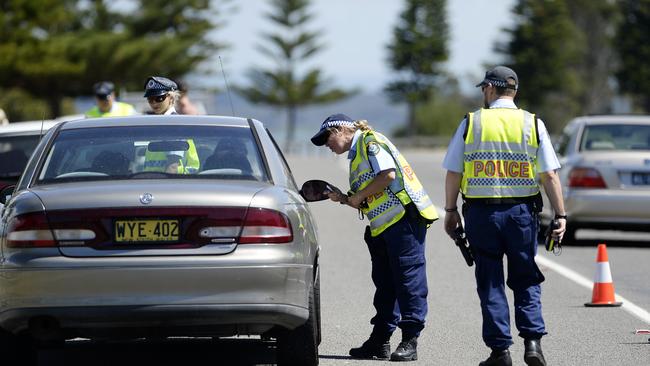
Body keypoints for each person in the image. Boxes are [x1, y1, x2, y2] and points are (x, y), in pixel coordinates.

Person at [442, 66, 567, 366]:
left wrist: (450, 211)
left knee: (490, 280)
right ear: (514, 91)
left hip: (482, 215)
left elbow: (454, 171)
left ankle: (500, 352)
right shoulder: (531, 123)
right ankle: (533, 344)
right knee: (525, 277)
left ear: (489, 88)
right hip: (521, 214)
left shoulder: (472, 123)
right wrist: (560, 215)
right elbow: (549, 174)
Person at [310, 113, 439, 362]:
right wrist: (345, 198)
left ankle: (410, 340)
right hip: (383, 226)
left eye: (327, 139)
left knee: (408, 281)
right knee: (385, 285)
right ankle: (380, 340)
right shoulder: (357, 154)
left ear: (340, 130)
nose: (327, 145)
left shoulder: (370, 142)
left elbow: (387, 176)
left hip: (403, 220)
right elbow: (370, 199)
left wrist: (357, 197)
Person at [143, 76, 199, 174]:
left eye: (159, 98)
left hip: (174, 183)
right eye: (150, 99)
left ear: (171, 98)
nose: (154, 103)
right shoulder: (160, 124)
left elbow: (173, 167)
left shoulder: (174, 125)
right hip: (155, 183)